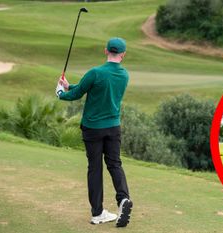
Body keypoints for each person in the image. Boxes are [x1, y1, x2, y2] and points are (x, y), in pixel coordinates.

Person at [55, 37, 133, 227]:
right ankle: (123, 200)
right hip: (113, 127)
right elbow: (86, 88)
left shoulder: (95, 72)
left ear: (106, 51)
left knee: (95, 168)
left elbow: (78, 93)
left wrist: (60, 93)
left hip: (92, 129)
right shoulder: (124, 75)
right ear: (123, 54)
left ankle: (97, 213)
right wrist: (68, 85)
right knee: (115, 164)